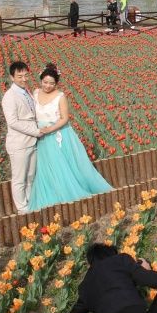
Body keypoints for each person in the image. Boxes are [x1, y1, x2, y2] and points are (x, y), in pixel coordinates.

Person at [29, 64, 113, 211]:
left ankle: (66, 195)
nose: (48, 86)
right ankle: (52, 195)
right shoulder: (35, 93)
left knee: (60, 166)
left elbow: (64, 118)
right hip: (41, 136)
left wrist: (49, 129)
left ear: (56, 83)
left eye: (51, 83)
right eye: (45, 82)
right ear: (40, 80)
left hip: (56, 134)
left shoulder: (60, 97)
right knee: (45, 167)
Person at [2, 61, 47, 214]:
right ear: (12, 77)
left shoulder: (26, 91)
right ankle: (22, 208)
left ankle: (30, 202)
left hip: (32, 141)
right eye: (19, 76)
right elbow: (13, 122)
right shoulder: (10, 96)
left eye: (26, 75)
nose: (24, 79)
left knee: (30, 175)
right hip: (19, 143)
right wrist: (35, 130)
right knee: (19, 177)